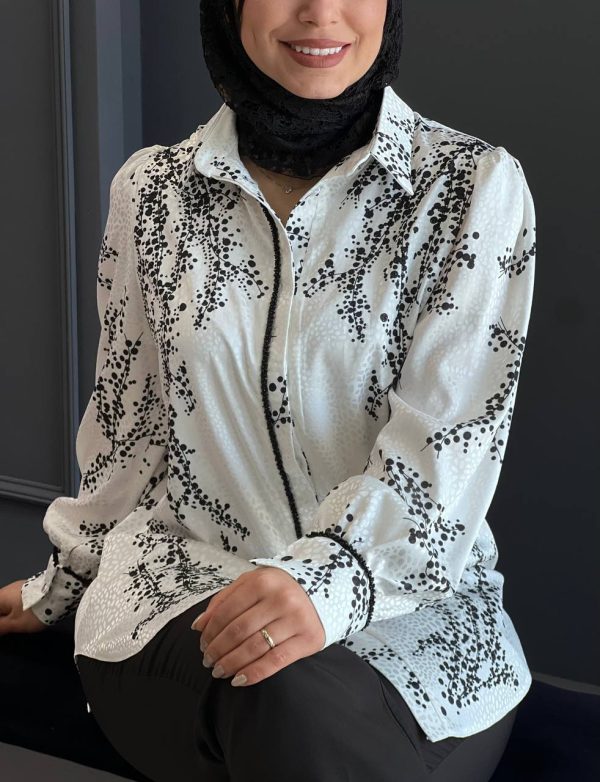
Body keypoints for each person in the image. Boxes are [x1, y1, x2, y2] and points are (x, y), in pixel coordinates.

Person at [0, 1, 536, 780]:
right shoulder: (153, 193)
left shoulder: (469, 187)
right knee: (273, 690)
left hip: (415, 624)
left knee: (300, 709)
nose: (321, 12)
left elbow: (449, 445)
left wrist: (326, 582)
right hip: (181, 594)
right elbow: (128, 430)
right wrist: (63, 585)